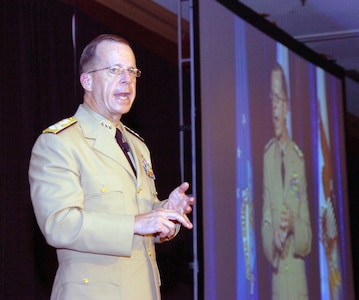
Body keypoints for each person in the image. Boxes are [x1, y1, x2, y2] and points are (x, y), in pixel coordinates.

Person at [29, 34, 195, 300]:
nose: (127, 79)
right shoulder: (60, 143)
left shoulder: (137, 145)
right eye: (114, 69)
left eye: (132, 71)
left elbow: (142, 223)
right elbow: (59, 224)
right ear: (87, 81)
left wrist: (165, 212)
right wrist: (136, 223)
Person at [261, 63, 312, 300]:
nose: (274, 106)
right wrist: (274, 241)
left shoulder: (298, 159)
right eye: (271, 98)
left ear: (287, 106)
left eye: (279, 99)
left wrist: (293, 225)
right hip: (278, 283)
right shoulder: (266, 157)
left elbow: (308, 240)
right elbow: (265, 222)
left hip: (298, 284)